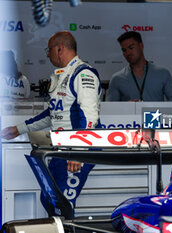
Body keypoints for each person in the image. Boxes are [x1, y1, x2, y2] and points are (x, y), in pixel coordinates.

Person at [0, 31, 101, 212]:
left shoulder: (84, 74)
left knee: (63, 204)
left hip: (75, 150)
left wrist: (78, 153)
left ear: (59, 49)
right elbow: (52, 113)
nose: (47, 54)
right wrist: (19, 129)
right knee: (48, 200)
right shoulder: (62, 75)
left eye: (49, 50)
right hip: (58, 149)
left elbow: (89, 117)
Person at [106, 31, 172, 102]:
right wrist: (125, 106)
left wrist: (162, 112)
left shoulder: (163, 73)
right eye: (124, 50)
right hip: (129, 115)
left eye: (131, 48)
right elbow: (109, 109)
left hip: (155, 115)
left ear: (141, 46)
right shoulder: (117, 79)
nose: (128, 53)